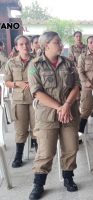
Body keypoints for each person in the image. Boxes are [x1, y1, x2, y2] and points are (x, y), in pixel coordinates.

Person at [28, 31, 81, 199]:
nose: (61, 44)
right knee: (45, 151)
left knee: (71, 148)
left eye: (60, 41)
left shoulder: (69, 63)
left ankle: (68, 178)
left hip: (69, 112)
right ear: (46, 45)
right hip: (47, 115)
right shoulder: (35, 65)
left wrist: (66, 106)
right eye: (57, 42)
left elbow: (76, 86)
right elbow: (36, 92)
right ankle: (38, 184)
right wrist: (60, 107)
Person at [4, 35, 36, 168]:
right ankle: (18, 156)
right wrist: (18, 84)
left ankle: (40, 154)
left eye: (27, 43)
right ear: (16, 47)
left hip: (35, 99)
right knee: (21, 129)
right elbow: (7, 82)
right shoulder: (11, 63)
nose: (25, 46)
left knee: (37, 128)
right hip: (19, 100)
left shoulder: (37, 61)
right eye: (21, 44)